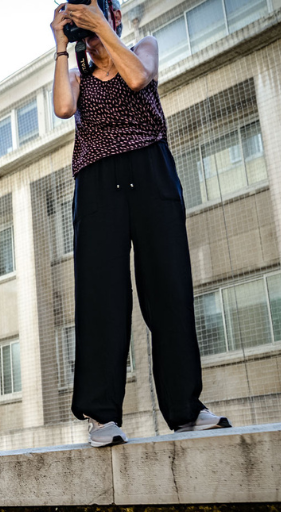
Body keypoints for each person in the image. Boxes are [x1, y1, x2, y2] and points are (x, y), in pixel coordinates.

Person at [51, 0, 230, 447]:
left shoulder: (143, 47)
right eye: (81, 30)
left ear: (115, 18)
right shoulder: (77, 74)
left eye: (95, 22)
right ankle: (101, 415)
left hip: (151, 171)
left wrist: (102, 30)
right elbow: (61, 108)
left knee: (168, 286)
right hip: (97, 182)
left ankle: (186, 410)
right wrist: (59, 45)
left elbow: (136, 77)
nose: (88, 37)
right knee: (101, 297)